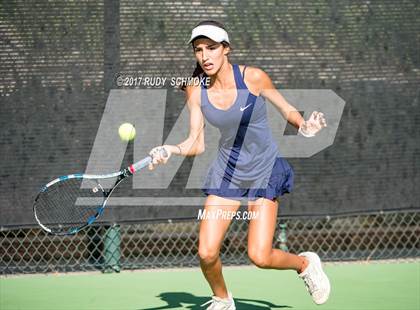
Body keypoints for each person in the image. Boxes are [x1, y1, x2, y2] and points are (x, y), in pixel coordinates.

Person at [148, 20, 330, 310]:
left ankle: (306, 264)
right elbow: (196, 142)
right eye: (198, 50)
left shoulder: (254, 78)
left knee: (260, 256)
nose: (205, 55)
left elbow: (287, 110)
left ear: (226, 49)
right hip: (228, 172)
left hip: (264, 170)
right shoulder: (195, 89)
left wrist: (304, 126)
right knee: (207, 253)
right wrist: (171, 149)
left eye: (211, 48)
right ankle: (222, 299)